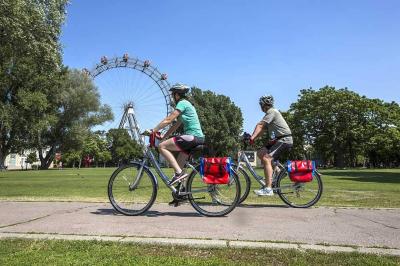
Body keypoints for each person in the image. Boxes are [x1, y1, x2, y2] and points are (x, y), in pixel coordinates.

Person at [152, 83, 205, 185]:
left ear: (177, 95)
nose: (172, 97)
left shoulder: (182, 103)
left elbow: (168, 120)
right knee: (179, 165)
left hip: (192, 137)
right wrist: (165, 136)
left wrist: (153, 130)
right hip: (196, 138)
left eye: (173, 95)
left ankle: (179, 173)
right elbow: (175, 125)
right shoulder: (187, 104)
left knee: (162, 146)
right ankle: (182, 194)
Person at [249, 95, 293, 196]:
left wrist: (252, 137)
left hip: (284, 139)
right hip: (278, 139)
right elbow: (262, 130)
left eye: (261, 104)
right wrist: (253, 137)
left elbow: (260, 125)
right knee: (260, 153)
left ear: (263, 105)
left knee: (266, 159)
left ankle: (268, 189)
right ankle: (278, 171)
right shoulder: (270, 114)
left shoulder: (272, 111)